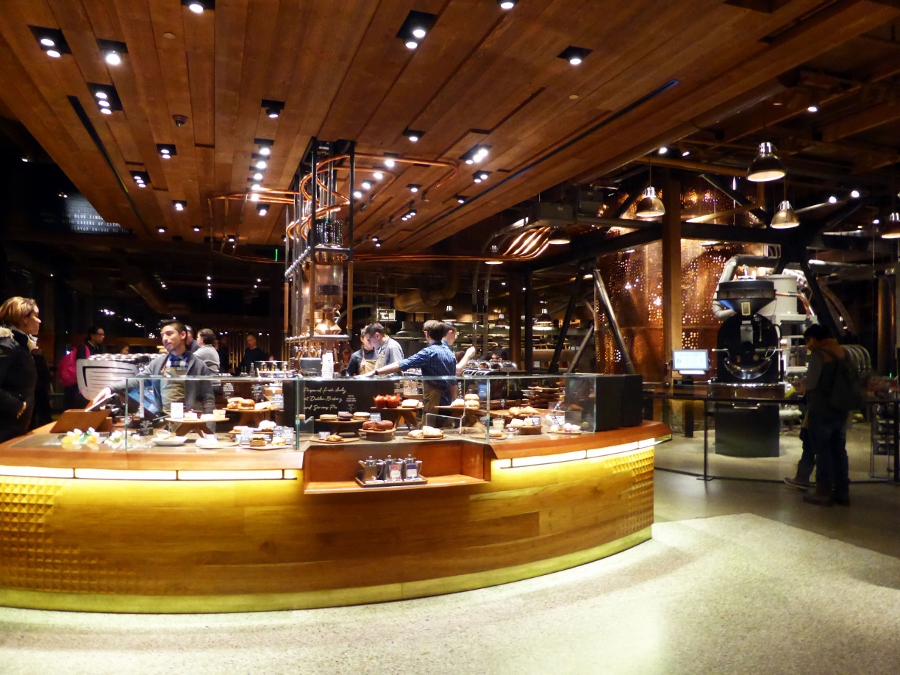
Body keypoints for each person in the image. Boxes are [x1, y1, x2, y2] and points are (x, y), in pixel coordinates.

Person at [90, 321, 214, 416]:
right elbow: (137, 380)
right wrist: (110, 388)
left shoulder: (198, 365)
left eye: (169, 334)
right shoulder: (158, 363)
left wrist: (210, 433)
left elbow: (208, 399)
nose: (164, 338)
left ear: (182, 335)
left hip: (190, 424)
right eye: (162, 335)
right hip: (166, 423)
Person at [799, 323, 850, 507]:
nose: (808, 345)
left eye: (808, 341)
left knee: (823, 451)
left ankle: (823, 491)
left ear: (813, 339)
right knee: (839, 451)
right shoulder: (842, 351)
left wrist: (802, 384)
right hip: (841, 408)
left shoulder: (818, 354)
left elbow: (812, 383)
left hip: (821, 410)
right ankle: (842, 492)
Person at [360, 321, 456, 414]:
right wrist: (456, 403)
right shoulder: (449, 352)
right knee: (445, 423)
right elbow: (453, 382)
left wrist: (375, 372)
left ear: (427, 334)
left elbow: (402, 364)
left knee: (430, 423)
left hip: (433, 399)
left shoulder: (428, 352)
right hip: (448, 400)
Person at [0, 297, 40, 441]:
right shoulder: (6, 343)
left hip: (14, 423)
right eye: (35, 316)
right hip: (5, 424)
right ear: (24, 318)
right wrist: (18, 405)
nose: (39, 321)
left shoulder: (20, 343)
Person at [64, 326, 105, 409]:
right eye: (100, 334)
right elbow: (80, 366)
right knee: (81, 405)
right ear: (92, 335)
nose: (102, 337)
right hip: (82, 383)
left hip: (93, 381)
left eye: (103, 335)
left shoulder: (99, 348)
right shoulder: (83, 348)